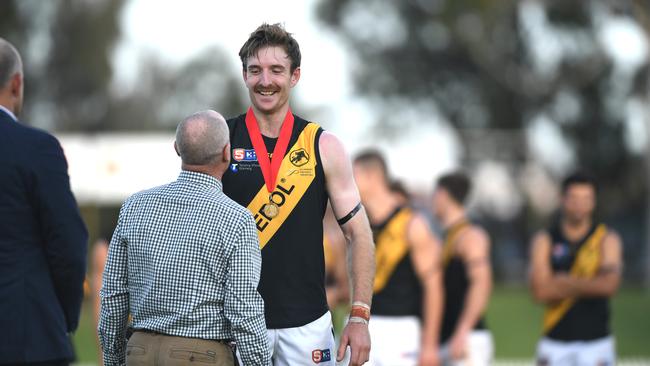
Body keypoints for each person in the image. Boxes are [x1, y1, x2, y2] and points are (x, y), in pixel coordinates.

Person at [222, 23, 375, 366]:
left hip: (308, 325)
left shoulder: (324, 145)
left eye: (276, 70)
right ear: (244, 75)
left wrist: (359, 316)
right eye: (255, 70)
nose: (265, 81)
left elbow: (359, 234)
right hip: (235, 324)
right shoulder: (221, 141)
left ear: (294, 76)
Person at [99, 111, 270, 366]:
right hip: (202, 356)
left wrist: (113, 358)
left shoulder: (134, 206)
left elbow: (113, 295)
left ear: (177, 148)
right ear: (226, 152)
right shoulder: (238, 219)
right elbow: (243, 310)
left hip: (140, 352)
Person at [0, 37, 88, 365]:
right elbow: (67, 242)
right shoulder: (36, 148)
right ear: (17, 83)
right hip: (27, 335)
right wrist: (61, 314)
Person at [353, 150, 443, 366]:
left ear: (372, 176)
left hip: (400, 331)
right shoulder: (358, 225)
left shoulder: (413, 224)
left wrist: (429, 345)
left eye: (352, 174)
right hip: (361, 324)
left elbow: (434, 287)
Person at [529, 172, 622, 366]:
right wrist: (592, 282)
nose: (580, 205)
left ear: (594, 201)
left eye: (586, 199)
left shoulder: (607, 239)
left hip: (597, 344)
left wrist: (563, 282)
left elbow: (609, 286)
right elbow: (540, 291)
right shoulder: (544, 240)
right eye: (574, 198)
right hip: (554, 343)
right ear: (562, 199)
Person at [432, 172, 493, 366]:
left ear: (442, 194)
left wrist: (463, 331)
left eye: (434, 195)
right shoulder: (447, 236)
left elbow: (481, 284)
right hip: (447, 340)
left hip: (466, 341)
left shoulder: (471, 236)